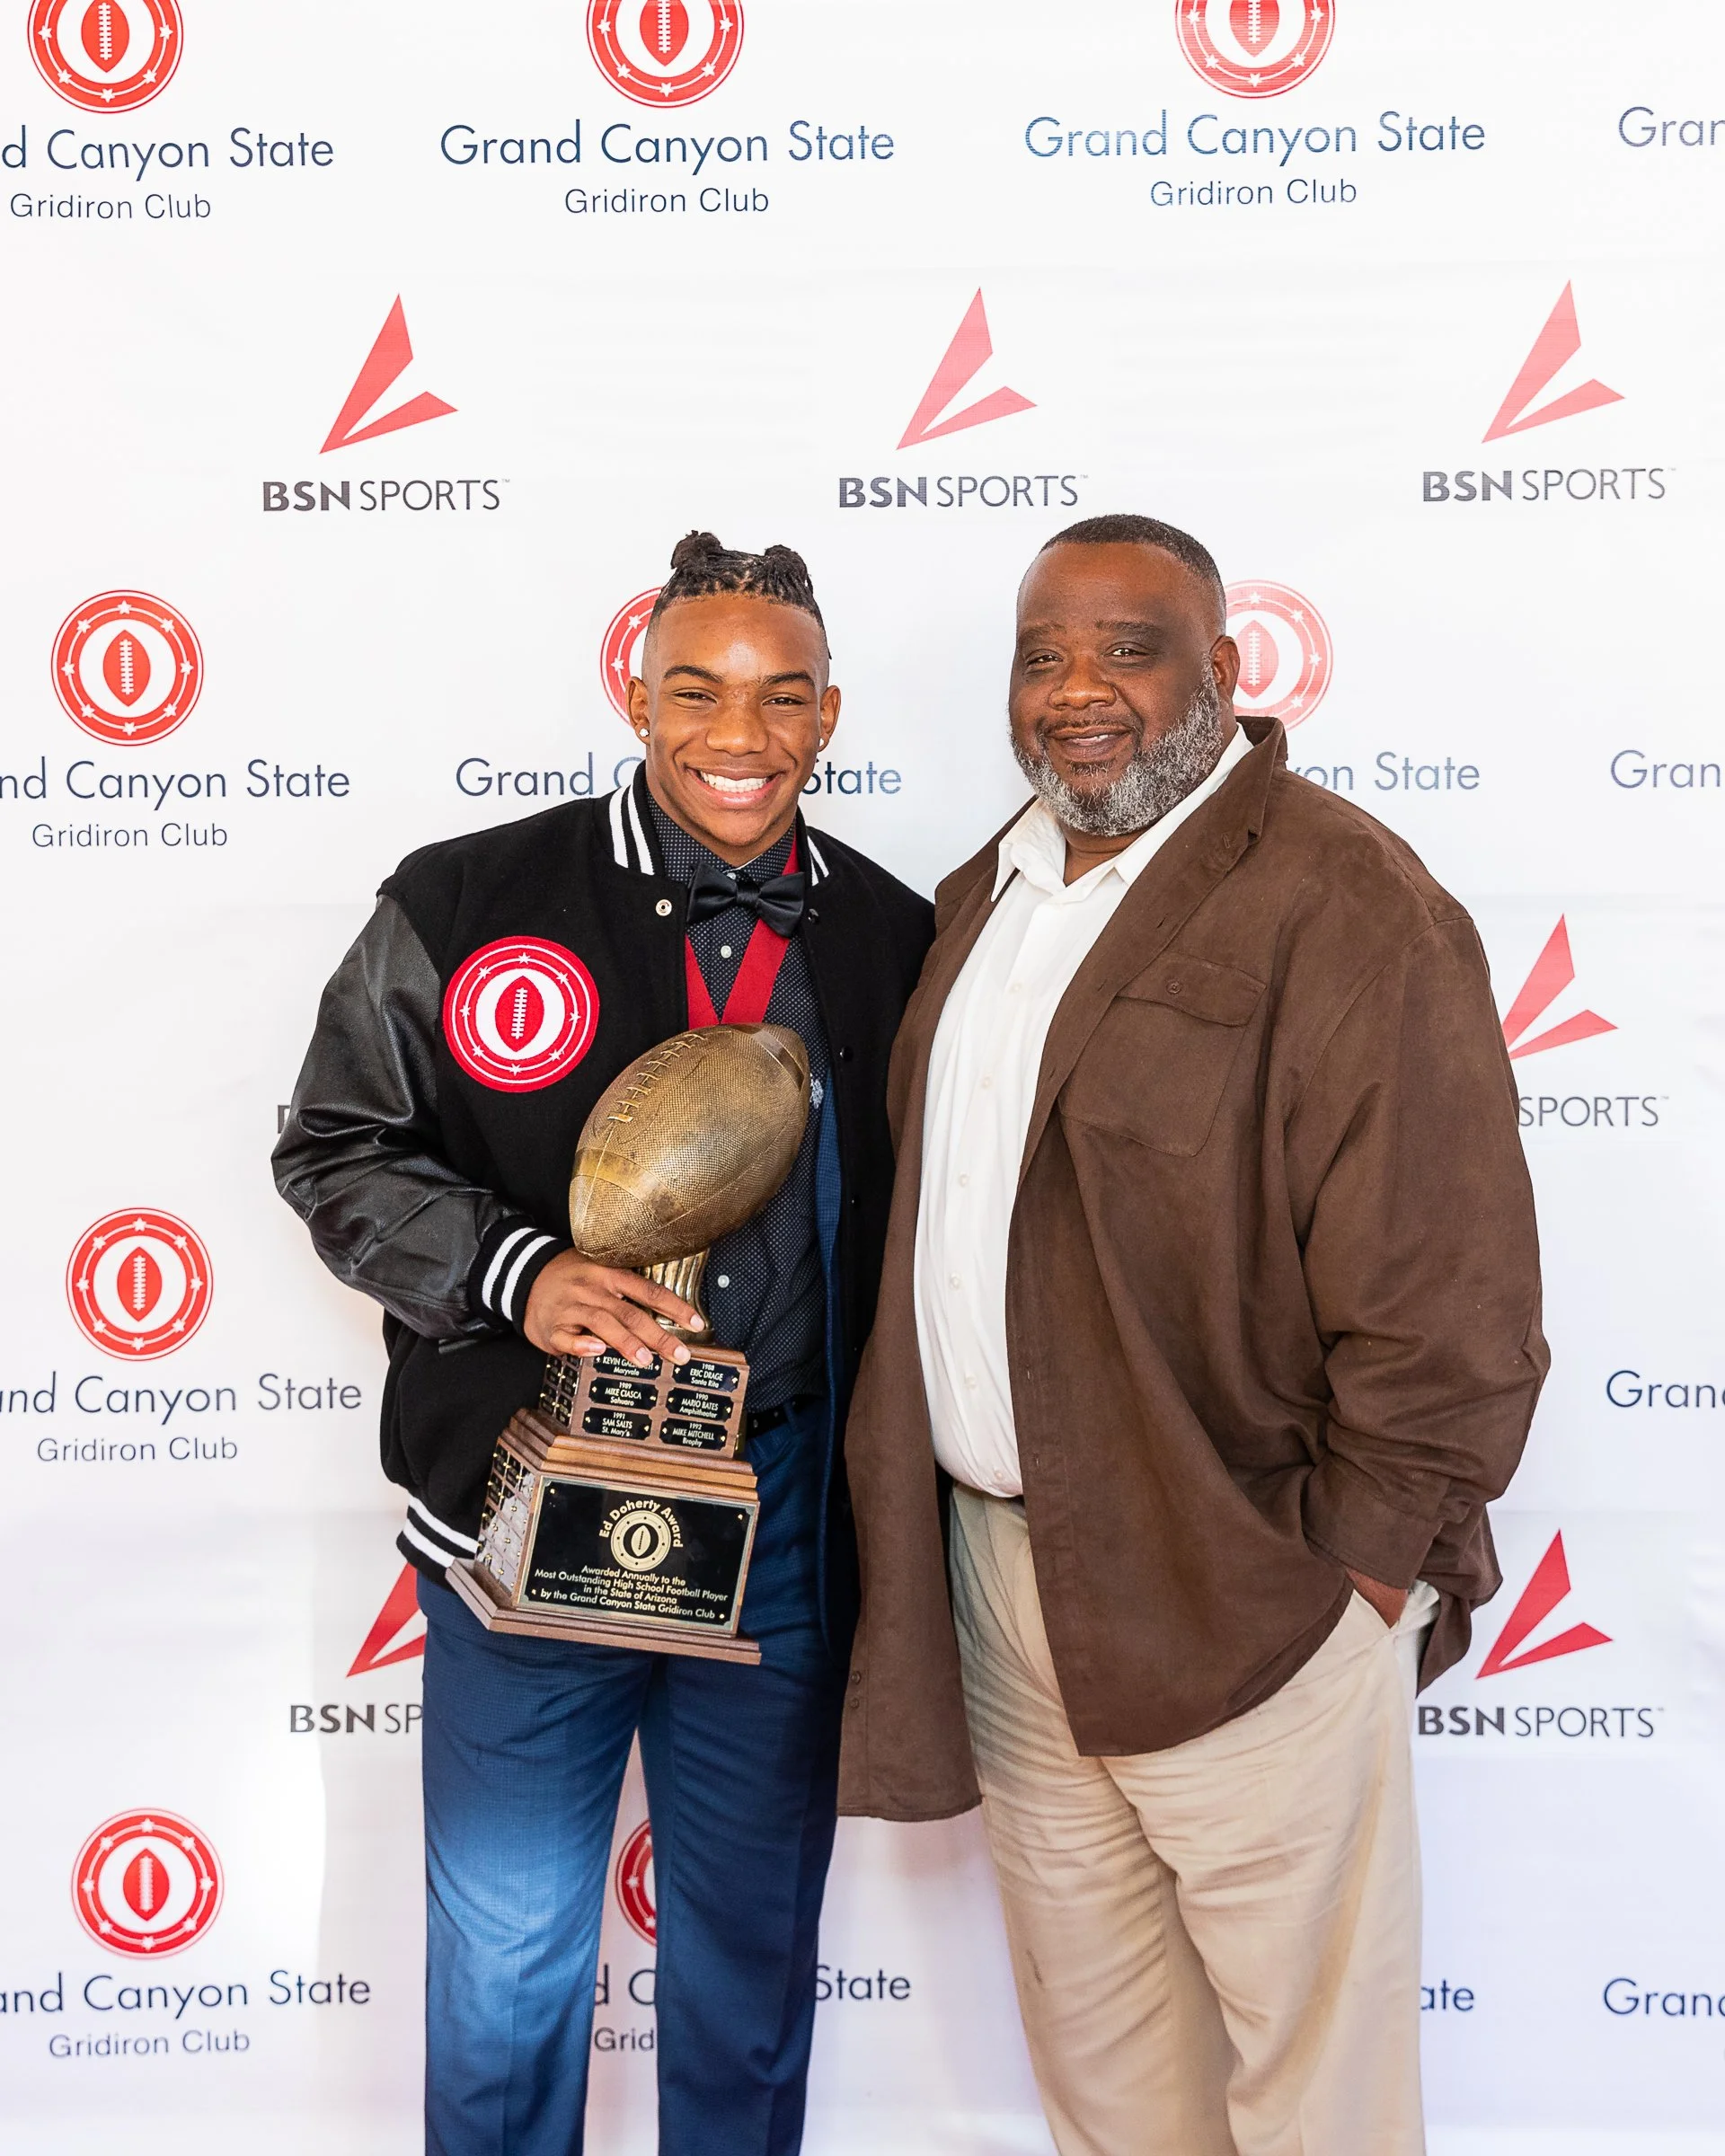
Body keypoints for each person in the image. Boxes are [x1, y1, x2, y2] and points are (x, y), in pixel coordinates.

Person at [837, 514, 1546, 2155]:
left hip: (1248, 1581)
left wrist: (1358, 1567)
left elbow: (1453, 1277)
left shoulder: (1342, 894)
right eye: (1043, 655)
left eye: (1129, 649)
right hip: (1008, 1588)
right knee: (1109, 2080)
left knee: (1319, 2096)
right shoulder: (982, 898)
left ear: (1223, 672)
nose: (1080, 689)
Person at [273, 532, 933, 2156]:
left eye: (784, 696)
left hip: (778, 1525)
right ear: (636, 696)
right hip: (525, 1497)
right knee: (504, 1977)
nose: (740, 729)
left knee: (751, 1970)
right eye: (697, 687)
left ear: (831, 714)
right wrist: (517, 1274)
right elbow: (334, 1149)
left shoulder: (901, 937)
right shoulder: (469, 894)